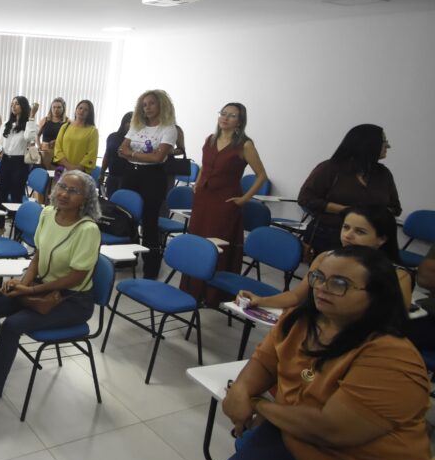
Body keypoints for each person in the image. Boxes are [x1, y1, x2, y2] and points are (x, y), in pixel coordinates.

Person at [216, 245, 429, 460]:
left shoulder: (391, 356)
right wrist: (241, 390)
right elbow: (263, 362)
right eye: (318, 277)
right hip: (297, 440)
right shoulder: (300, 321)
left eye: (339, 284)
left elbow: (331, 430)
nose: (322, 288)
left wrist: (257, 404)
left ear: (375, 295)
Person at [0, 171, 102, 414]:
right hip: (41, 287)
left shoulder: (88, 230)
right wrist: (22, 284)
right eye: (62, 186)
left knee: (13, 325)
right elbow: (38, 256)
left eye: (74, 191)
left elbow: (77, 276)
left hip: (72, 300)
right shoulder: (48, 213)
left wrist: (30, 289)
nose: (64, 194)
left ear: (86, 198)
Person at [240, 206, 414, 312]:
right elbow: (296, 296)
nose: (348, 235)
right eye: (346, 227)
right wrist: (261, 300)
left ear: (382, 239)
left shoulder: (398, 275)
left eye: (360, 232)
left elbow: (393, 324)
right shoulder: (326, 258)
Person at [181, 103, 268, 306]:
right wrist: (197, 183)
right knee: (197, 242)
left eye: (232, 115)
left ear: (240, 121)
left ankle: (213, 295)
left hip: (225, 201)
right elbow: (205, 166)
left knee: (216, 246)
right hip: (203, 199)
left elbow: (261, 175)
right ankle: (192, 290)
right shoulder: (210, 139)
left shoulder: (245, 145)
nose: (226, 118)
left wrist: (245, 199)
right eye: (223, 113)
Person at [298, 125, 401, 258]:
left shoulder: (384, 174)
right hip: (329, 234)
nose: (388, 146)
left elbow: (395, 208)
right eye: (384, 142)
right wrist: (348, 211)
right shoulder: (330, 168)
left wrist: (373, 214)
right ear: (367, 144)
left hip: (370, 242)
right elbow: (305, 198)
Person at [118, 89, 178, 279]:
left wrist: (132, 154)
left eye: (152, 103)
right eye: (144, 105)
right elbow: (121, 149)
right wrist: (139, 155)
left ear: (162, 104)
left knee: (149, 223)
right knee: (127, 219)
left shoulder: (169, 129)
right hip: (131, 174)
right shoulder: (137, 125)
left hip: (152, 177)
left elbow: (158, 158)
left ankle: (151, 268)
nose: (147, 108)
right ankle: (127, 259)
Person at [0, 97, 38, 234]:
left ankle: (17, 229)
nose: (13, 106)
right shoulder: (6, 124)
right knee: (1, 194)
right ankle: (1, 227)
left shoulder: (30, 125)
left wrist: (32, 116)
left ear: (23, 106)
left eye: (17, 104)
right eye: (12, 104)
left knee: (16, 196)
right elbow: (0, 142)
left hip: (19, 163)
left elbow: (29, 138)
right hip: (5, 161)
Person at [52, 99, 98, 173]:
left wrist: (77, 168)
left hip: (81, 171)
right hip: (63, 168)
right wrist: (68, 165)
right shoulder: (65, 127)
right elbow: (58, 147)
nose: (82, 111)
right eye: (80, 108)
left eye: (86, 110)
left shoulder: (93, 131)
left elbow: (91, 153)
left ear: (89, 113)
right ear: (76, 110)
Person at [98, 111, 132, 196]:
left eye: (134, 123)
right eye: (129, 122)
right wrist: (102, 173)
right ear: (123, 122)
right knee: (109, 200)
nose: (130, 125)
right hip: (112, 176)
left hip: (127, 178)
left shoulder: (136, 140)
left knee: (122, 201)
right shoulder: (112, 136)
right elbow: (107, 155)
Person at [37, 97, 68, 168]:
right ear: (51, 108)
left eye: (59, 107)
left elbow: (69, 139)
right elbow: (37, 135)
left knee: (57, 173)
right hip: (45, 152)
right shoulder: (45, 120)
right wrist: (39, 147)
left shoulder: (67, 121)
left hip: (60, 152)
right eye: (54, 107)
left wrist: (56, 141)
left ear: (63, 108)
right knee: (44, 172)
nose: (56, 110)